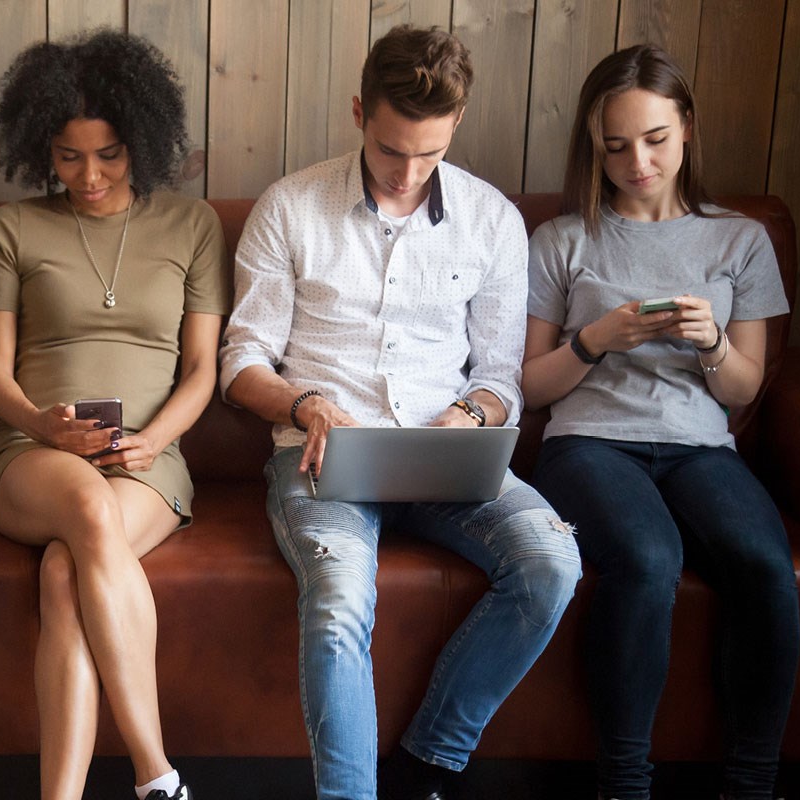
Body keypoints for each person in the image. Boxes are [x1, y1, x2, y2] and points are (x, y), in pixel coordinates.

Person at [219, 25, 582, 800]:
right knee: (340, 599)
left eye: (431, 154)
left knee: (553, 562)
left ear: (457, 127)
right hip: (323, 455)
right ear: (359, 112)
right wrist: (307, 403)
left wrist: (468, 419)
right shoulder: (289, 207)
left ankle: (427, 764)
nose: (408, 174)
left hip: (446, 454)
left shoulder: (492, 221)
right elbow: (241, 364)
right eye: (391, 151)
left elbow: (499, 379)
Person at [521, 44, 799, 800]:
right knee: (647, 562)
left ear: (687, 130)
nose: (636, 162)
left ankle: (752, 784)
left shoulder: (739, 240)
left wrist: (710, 339)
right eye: (614, 147)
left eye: (655, 141)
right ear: (593, 145)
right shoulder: (561, 240)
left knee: (766, 566)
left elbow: (742, 389)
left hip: (700, 446)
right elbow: (531, 387)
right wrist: (596, 339)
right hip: (588, 445)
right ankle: (625, 783)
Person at [0, 30, 229, 800]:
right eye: (68, 154)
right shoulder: (12, 229)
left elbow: (202, 369)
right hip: (29, 452)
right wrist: (40, 425)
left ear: (142, 143)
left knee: (63, 570)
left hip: (147, 461)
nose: (88, 175)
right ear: (40, 147)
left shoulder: (192, 225)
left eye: (109, 153)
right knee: (82, 505)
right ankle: (156, 772)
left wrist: (155, 439)